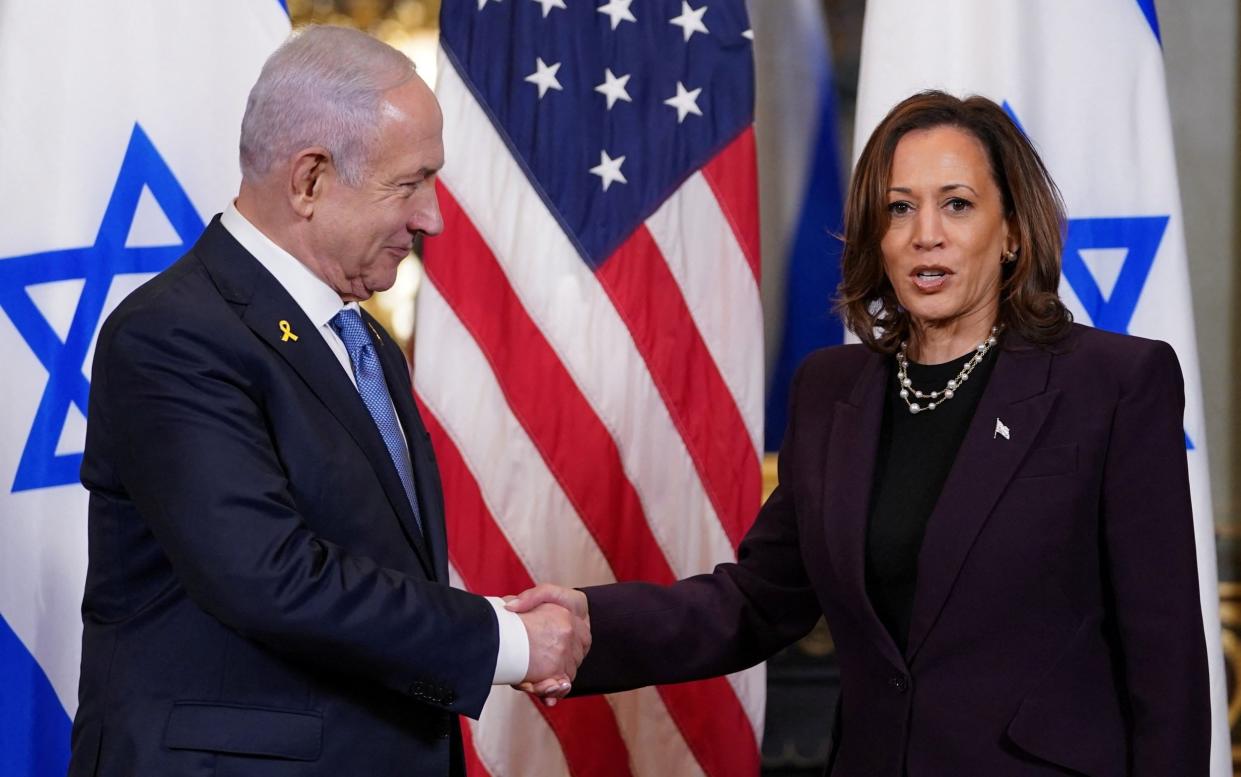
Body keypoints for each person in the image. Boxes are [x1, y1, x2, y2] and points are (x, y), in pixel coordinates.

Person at [509, 91, 1210, 776]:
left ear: (1013, 232)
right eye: (898, 208)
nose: (923, 233)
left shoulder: (1110, 382)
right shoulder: (832, 390)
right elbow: (755, 600)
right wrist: (588, 623)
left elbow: (1164, 653)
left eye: (956, 204)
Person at [69, 25, 587, 777]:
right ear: (309, 180)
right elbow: (270, 576)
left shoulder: (363, 342)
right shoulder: (173, 333)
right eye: (409, 183)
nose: (432, 217)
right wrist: (507, 639)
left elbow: (369, 563)